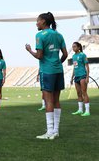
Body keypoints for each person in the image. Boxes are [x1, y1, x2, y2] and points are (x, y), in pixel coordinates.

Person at [25, 12, 68, 140]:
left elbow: (39, 55)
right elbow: (65, 54)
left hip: (47, 71)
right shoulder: (59, 35)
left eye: (38, 21)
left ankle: (49, 132)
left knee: (48, 101)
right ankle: (56, 130)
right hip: (58, 70)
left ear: (43, 21)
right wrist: (57, 63)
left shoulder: (39, 35)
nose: (36, 23)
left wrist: (29, 50)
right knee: (56, 101)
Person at [70, 42, 90, 116]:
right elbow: (74, 67)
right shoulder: (73, 56)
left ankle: (87, 111)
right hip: (76, 77)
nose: (73, 48)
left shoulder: (83, 55)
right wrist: (72, 77)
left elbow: (87, 66)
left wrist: (87, 77)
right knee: (78, 93)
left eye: (75, 46)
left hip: (82, 76)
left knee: (84, 92)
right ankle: (80, 110)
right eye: (72, 47)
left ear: (79, 47)